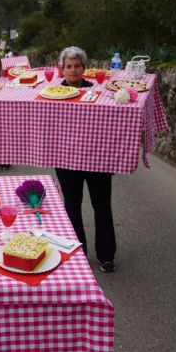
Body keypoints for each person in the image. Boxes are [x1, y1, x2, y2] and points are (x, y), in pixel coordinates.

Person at [54, 46, 115, 273]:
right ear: (62, 69)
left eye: (77, 66)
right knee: (71, 206)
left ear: (84, 68)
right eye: (69, 66)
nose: (73, 70)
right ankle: (77, 252)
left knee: (102, 205)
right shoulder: (52, 94)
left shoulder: (99, 91)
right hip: (66, 159)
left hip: (98, 158)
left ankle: (106, 255)